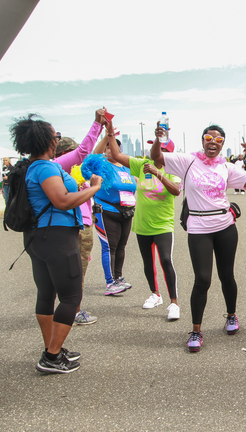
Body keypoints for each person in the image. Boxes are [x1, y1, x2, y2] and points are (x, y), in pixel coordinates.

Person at [150, 125, 246, 353]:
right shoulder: (187, 161)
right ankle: (196, 330)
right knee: (202, 279)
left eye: (219, 139)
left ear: (222, 144)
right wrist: (158, 140)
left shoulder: (226, 167)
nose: (213, 142)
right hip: (199, 227)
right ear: (202, 140)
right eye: (209, 138)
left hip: (225, 225)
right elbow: (157, 158)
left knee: (227, 275)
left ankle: (231, 315)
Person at [9, 113, 103, 374]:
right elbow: (61, 201)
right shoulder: (46, 168)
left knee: (47, 294)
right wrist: (93, 188)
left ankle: (53, 348)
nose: (57, 139)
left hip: (38, 236)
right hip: (56, 236)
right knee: (72, 297)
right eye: (56, 136)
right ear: (49, 141)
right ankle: (51, 356)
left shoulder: (33, 167)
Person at [103, 120, 183, 320]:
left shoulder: (173, 170)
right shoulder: (141, 165)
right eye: (153, 145)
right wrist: (111, 134)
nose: (153, 150)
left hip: (163, 224)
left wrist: (158, 174)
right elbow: (116, 155)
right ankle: (155, 294)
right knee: (148, 262)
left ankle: (174, 303)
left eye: (159, 147)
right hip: (143, 225)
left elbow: (176, 191)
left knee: (165, 260)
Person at [54, 108, 107, 325]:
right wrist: (97, 124)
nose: (79, 156)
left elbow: (92, 154)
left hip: (77, 223)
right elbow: (86, 151)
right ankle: (73, 311)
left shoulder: (68, 172)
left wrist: (107, 134)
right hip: (76, 225)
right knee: (77, 271)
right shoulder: (61, 168)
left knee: (75, 270)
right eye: (73, 152)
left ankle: (70, 309)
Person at [91, 131, 137, 296]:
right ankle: (109, 282)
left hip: (126, 211)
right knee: (109, 247)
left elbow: (134, 185)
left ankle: (118, 277)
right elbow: (92, 159)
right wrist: (106, 135)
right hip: (106, 211)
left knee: (121, 247)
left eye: (114, 148)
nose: (110, 151)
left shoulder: (126, 167)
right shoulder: (102, 165)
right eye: (107, 148)